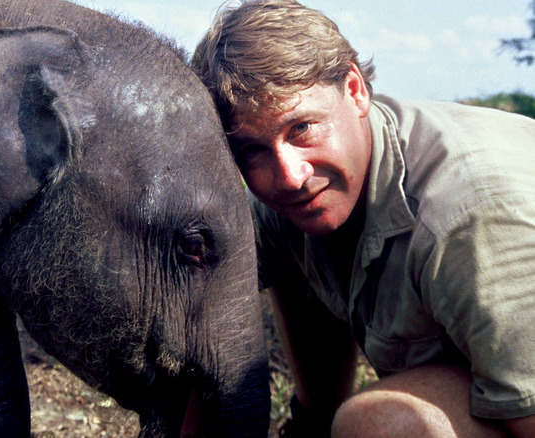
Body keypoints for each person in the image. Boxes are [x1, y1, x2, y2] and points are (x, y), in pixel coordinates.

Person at [191, 1, 535, 437]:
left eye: (301, 129)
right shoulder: (298, 194)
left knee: (376, 427)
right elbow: (190, 285)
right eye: (253, 151)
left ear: (354, 90)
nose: (290, 176)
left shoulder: (471, 218)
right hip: (484, 371)